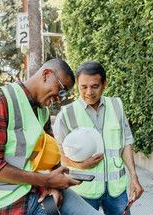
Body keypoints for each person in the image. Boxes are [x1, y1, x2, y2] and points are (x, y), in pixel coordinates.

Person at [0, 59, 103, 215]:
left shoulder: (42, 111)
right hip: (0, 204)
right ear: (46, 74)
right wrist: (48, 181)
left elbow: (51, 156)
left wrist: (55, 186)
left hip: (34, 192)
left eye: (64, 95)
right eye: (61, 90)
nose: (59, 99)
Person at [53, 60, 144, 215]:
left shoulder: (117, 106)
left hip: (117, 191)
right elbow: (56, 156)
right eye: (84, 87)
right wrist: (80, 165)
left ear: (104, 84)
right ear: (78, 86)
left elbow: (126, 143)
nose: (89, 92)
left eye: (95, 86)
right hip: (83, 191)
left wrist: (134, 178)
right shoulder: (66, 114)